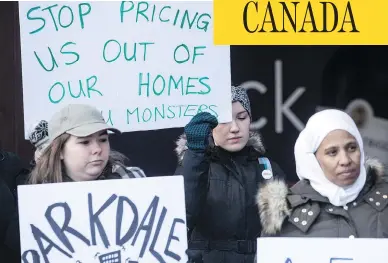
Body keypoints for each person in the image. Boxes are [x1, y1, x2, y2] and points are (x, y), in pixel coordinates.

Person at [175, 86, 286, 263]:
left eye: (242, 117)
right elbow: (180, 220)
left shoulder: (269, 169)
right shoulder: (193, 168)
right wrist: (195, 156)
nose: (235, 127)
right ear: (209, 126)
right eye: (224, 120)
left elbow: (280, 233)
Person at [257, 109, 388, 238]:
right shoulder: (283, 213)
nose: (345, 160)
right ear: (312, 160)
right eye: (332, 152)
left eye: (352, 148)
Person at [28, 104, 146, 184]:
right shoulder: (41, 195)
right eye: (85, 142)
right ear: (59, 151)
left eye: (103, 139)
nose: (97, 149)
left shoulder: (132, 179)